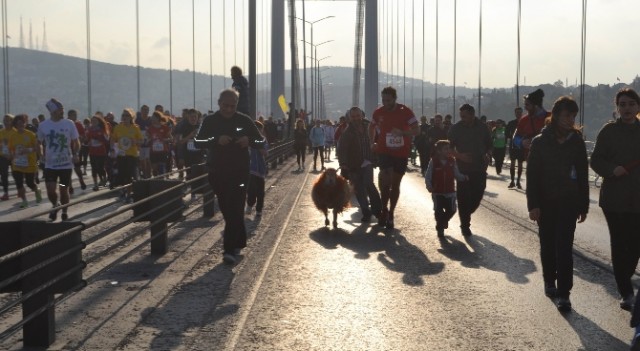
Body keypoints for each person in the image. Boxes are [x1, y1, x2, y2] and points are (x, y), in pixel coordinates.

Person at [526, 96, 589, 312]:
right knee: (547, 245)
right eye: (565, 115)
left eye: (573, 116)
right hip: (544, 203)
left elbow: (582, 175)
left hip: (569, 203)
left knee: (564, 248)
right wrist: (533, 204)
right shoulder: (539, 142)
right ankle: (548, 280)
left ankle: (564, 293)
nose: (569, 120)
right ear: (555, 116)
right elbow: (532, 176)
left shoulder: (577, 142)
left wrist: (584, 205)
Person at [194, 89, 265, 264]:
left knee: (236, 208)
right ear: (219, 103)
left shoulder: (244, 120)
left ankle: (229, 250)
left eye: (232, 106)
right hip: (217, 172)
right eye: (225, 105)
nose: (228, 109)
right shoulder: (210, 121)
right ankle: (239, 240)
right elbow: (197, 142)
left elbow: (261, 141)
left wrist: (249, 140)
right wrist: (216, 139)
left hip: (240, 172)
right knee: (228, 209)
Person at [590, 87, 640, 313]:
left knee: (636, 245)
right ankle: (626, 292)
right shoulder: (608, 131)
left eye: (631, 104)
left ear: (638, 107)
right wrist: (612, 169)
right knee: (620, 245)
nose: (627, 108)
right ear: (617, 108)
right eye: (623, 105)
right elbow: (595, 160)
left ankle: (624, 278)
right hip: (615, 200)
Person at [369, 86, 419, 229]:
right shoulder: (378, 112)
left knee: (395, 184)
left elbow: (417, 130)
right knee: (385, 181)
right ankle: (384, 209)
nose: (385, 103)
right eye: (383, 100)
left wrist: (403, 133)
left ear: (394, 99)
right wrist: (372, 141)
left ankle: (391, 212)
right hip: (384, 151)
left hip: (401, 152)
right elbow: (371, 127)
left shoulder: (405, 111)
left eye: (388, 100)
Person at [447, 103, 492, 236]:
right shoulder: (456, 129)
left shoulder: (483, 128)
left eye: (465, 116)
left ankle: (467, 212)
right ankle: (465, 225)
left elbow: (489, 144)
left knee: (477, 196)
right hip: (463, 169)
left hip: (479, 168)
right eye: (461, 116)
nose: (462, 119)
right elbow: (448, 148)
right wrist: (459, 156)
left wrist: (488, 154)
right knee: (463, 197)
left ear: (472, 115)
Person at [37, 98, 81, 221]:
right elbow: (39, 142)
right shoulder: (43, 125)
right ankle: (55, 205)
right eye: (59, 110)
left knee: (63, 189)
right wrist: (40, 154)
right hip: (50, 165)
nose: (62, 111)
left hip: (65, 165)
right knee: (51, 190)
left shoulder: (69, 124)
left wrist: (76, 153)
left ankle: (64, 211)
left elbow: (76, 141)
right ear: (52, 111)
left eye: (63, 109)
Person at [337, 107, 381, 222]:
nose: (356, 118)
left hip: (368, 161)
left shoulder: (370, 126)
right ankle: (366, 212)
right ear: (350, 118)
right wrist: (343, 164)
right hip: (354, 164)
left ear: (362, 115)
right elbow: (342, 149)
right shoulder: (347, 131)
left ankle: (377, 209)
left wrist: (379, 153)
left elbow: (379, 138)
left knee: (368, 183)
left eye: (358, 116)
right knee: (359, 189)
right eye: (353, 117)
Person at [425, 140, 468, 237]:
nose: (448, 151)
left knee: (452, 210)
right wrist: (429, 186)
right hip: (437, 192)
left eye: (449, 148)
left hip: (450, 192)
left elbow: (457, 174)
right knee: (438, 211)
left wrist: (464, 177)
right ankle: (440, 228)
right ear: (439, 151)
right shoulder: (434, 161)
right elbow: (428, 175)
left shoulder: (452, 161)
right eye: (446, 149)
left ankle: (444, 221)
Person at [513, 88, 549, 189]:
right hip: (532, 164)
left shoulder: (551, 118)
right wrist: (522, 142)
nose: (525, 108)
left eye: (527, 105)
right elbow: (515, 139)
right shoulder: (523, 120)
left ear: (536, 105)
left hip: (550, 165)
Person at [8, 114, 42, 208]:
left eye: (22, 123)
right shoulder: (13, 136)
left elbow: (36, 148)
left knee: (29, 183)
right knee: (19, 183)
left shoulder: (30, 134)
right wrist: (12, 155)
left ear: (25, 123)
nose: (21, 125)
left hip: (29, 163)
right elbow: (11, 149)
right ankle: (24, 201)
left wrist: (28, 150)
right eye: (18, 123)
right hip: (17, 164)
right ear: (15, 124)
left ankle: (37, 190)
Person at [111, 108, 144, 203]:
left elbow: (142, 141)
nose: (124, 117)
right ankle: (123, 191)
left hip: (132, 155)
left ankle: (129, 195)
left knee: (130, 176)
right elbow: (113, 139)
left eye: (127, 115)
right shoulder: (118, 127)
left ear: (131, 117)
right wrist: (112, 149)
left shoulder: (135, 128)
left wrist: (136, 141)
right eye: (123, 115)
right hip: (121, 155)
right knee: (122, 175)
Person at [246, 121, 269, 217]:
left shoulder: (263, 140)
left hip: (260, 169)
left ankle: (259, 209)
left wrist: (258, 147)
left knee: (260, 191)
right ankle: (250, 204)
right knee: (251, 190)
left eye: (260, 130)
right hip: (250, 169)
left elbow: (265, 153)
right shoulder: (247, 140)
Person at [86, 114, 110, 190]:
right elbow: (87, 140)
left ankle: (104, 177)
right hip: (92, 151)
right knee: (94, 168)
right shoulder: (89, 130)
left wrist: (98, 138)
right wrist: (87, 141)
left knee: (100, 167)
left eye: (95, 121)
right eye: (92, 121)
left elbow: (106, 140)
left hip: (101, 151)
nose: (93, 122)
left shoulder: (102, 129)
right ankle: (96, 184)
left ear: (99, 122)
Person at [147, 111, 173, 177]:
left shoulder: (165, 128)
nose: (152, 119)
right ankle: (156, 179)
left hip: (163, 151)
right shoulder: (150, 128)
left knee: (161, 167)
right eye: (152, 117)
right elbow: (147, 139)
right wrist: (149, 140)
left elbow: (171, 139)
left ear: (158, 118)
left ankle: (162, 181)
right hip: (153, 151)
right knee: (154, 169)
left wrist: (164, 140)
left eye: (153, 117)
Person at [67, 109, 88, 193]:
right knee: (68, 169)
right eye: (74, 115)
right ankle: (70, 186)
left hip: (76, 149)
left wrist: (81, 140)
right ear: (69, 116)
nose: (75, 117)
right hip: (67, 150)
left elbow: (84, 136)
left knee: (77, 167)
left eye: (76, 115)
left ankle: (81, 180)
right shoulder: (65, 124)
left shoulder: (78, 125)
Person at [506, 107, 525, 188]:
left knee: (520, 164)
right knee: (512, 164)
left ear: (522, 113)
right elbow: (506, 134)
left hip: (521, 146)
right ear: (515, 113)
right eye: (517, 112)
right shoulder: (511, 123)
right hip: (513, 146)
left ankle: (518, 182)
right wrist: (513, 138)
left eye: (520, 112)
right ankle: (512, 181)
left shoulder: (525, 122)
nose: (518, 114)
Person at [0, 114, 15, 200]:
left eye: (8, 120)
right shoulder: (1, 132)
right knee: (4, 175)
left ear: (12, 121)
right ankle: (6, 193)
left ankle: (21, 189)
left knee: (16, 174)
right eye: (5, 120)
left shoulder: (16, 132)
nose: (6, 122)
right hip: (3, 156)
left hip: (14, 156)